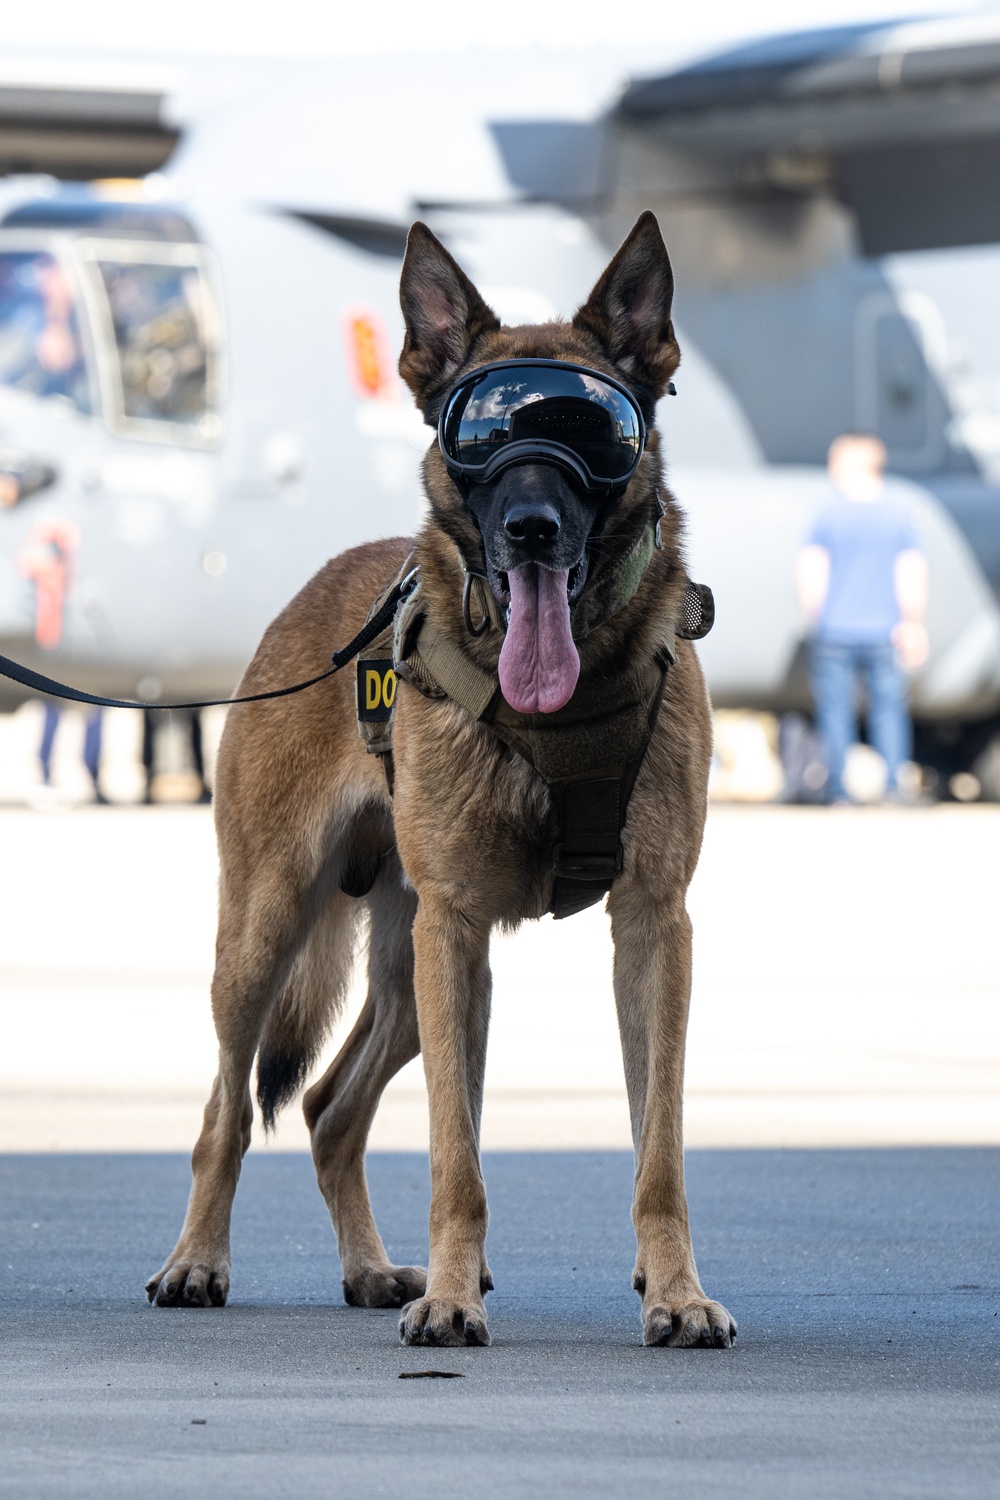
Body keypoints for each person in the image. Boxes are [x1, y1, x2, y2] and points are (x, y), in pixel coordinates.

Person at [795, 433, 929, 804]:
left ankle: (839, 790)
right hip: (886, 629)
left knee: (835, 711)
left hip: (835, 629)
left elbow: (812, 570)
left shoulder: (828, 513)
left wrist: (816, 617)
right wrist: (913, 622)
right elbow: (911, 570)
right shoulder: (898, 513)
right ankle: (894, 788)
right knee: (889, 711)